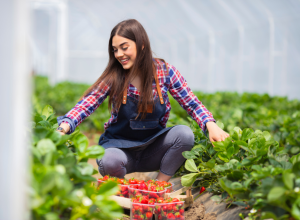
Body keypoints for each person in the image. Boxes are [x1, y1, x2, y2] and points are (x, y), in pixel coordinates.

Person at [56, 19, 229, 182]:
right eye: (115, 49)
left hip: (153, 150)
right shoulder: (114, 77)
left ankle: (158, 186)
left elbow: (191, 102)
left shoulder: (165, 72)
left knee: (184, 135)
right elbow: (88, 103)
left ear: (142, 45)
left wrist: (210, 124)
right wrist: (64, 127)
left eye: (124, 47)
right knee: (109, 160)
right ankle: (119, 189)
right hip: (120, 150)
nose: (119, 54)